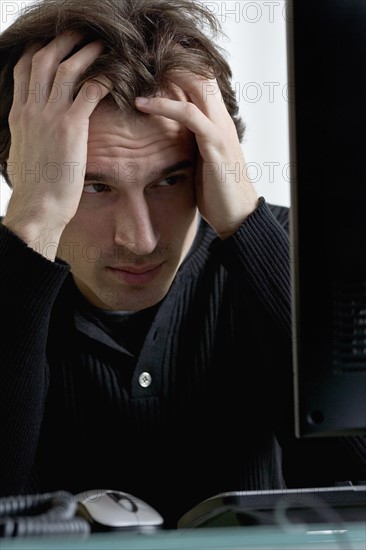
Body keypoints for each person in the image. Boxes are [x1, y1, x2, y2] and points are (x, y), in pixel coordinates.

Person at [0, 0, 364, 529]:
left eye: (169, 180)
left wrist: (246, 226)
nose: (139, 239)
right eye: (92, 185)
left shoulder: (308, 261)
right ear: (20, 172)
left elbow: (360, 482)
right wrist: (30, 233)